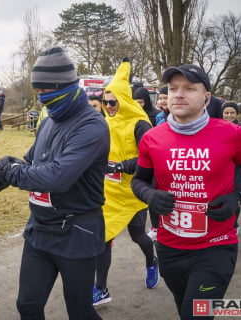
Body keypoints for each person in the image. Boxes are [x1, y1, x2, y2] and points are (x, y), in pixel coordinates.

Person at [131, 64, 241, 319]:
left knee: (197, 314)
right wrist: (150, 195)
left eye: (188, 88)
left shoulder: (233, 134)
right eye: (173, 89)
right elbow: (138, 182)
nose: (178, 94)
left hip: (215, 248)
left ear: (206, 97)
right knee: (185, 307)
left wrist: (236, 195)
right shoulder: (152, 138)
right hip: (169, 247)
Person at [0, 46, 109, 319]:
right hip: (40, 230)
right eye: (37, 92)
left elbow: (58, 177)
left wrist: (12, 173)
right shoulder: (49, 121)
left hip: (78, 231)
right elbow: (33, 163)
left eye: (44, 92)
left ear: (64, 86)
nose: (41, 99)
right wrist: (6, 165)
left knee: (79, 311)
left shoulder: (93, 126)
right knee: (27, 305)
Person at [93, 58, 158, 307]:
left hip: (133, 192)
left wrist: (121, 166)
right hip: (109, 191)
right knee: (104, 236)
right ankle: (101, 288)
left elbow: (149, 156)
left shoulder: (140, 124)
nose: (109, 106)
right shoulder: (105, 122)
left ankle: (152, 262)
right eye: (105, 102)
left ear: (124, 100)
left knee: (138, 235)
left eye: (113, 102)